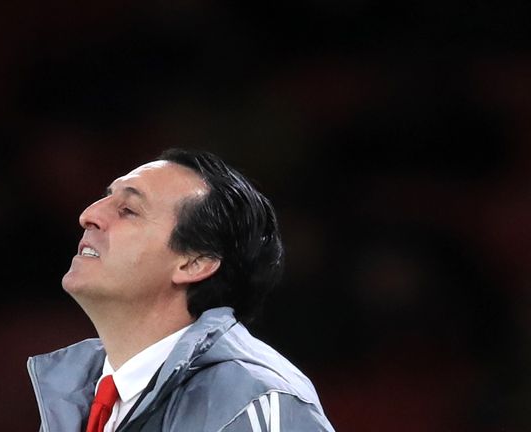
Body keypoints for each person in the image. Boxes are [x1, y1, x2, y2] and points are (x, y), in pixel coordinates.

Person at [28, 149, 335, 431]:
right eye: (106, 198)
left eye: (128, 210)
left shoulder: (251, 401)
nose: (89, 215)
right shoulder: (75, 403)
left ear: (195, 263)